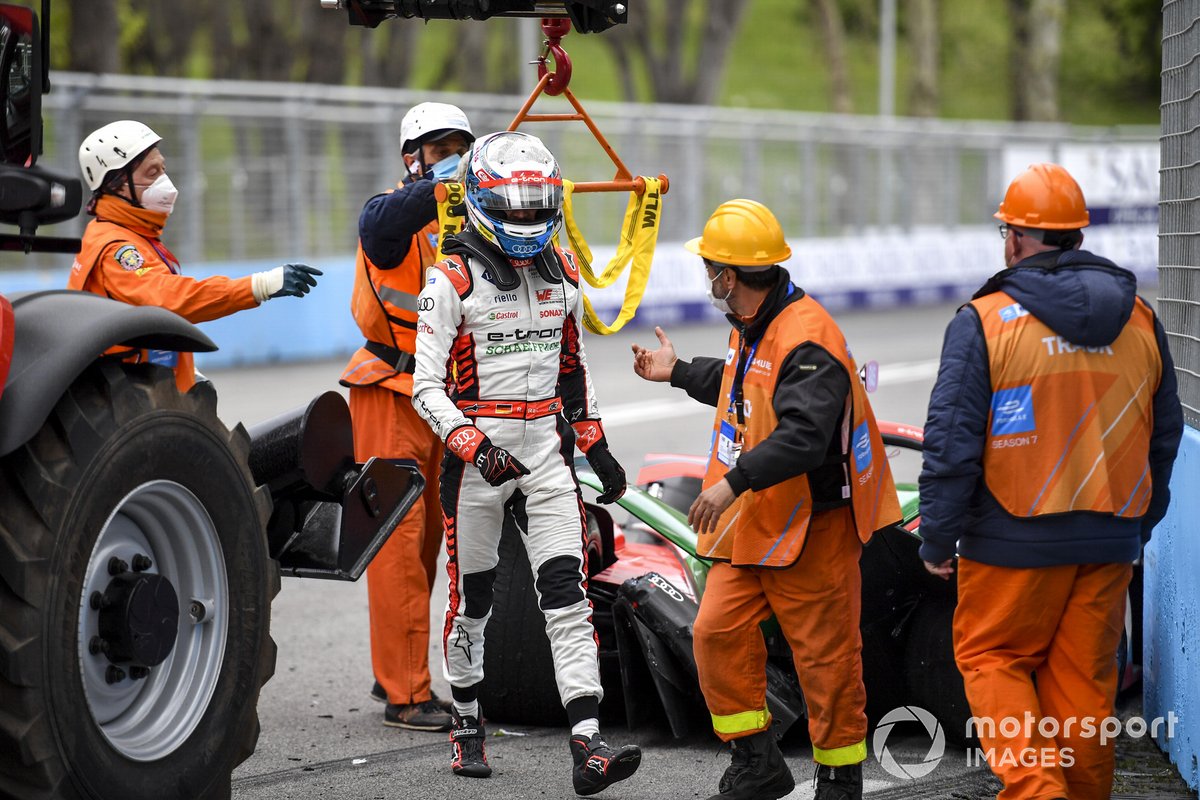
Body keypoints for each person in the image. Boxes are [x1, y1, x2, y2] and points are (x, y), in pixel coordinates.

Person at [919, 163, 1184, 800]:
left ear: (1013, 240)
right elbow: (1164, 433)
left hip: (1010, 539)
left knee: (992, 662)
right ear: (1078, 237)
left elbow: (953, 441)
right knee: (1082, 696)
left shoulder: (984, 320)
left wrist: (936, 537)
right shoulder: (1141, 317)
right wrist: (1136, 524)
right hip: (1109, 539)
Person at [631, 199, 901, 800]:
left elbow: (804, 436)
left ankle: (839, 778)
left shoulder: (807, 339)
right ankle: (758, 761)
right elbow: (739, 385)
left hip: (815, 527)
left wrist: (731, 483)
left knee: (827, 663)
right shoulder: (756, 326)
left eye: (711, 269)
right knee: (716, 633)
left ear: (730, 276)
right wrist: (676, 372)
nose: (707, 279)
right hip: (760, 524)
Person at [412, 130, 641, 794]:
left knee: (568, 595)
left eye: (537, 203)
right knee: (472, 601)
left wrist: (595, 442)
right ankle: (466, 721)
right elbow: (423, 387)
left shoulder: (564, 270)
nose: (525, 218)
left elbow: (575, 371)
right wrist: (474, 448)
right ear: (483, 201)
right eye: (511, 206)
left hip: (546, 451)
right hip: (476, 455)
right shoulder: (449, 276)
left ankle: (587, 743)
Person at [340, 101, 475, 733]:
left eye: (460, 147)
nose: (452, 157)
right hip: (390, 391)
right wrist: (442, 186)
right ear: (411, 158)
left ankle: (394, 665)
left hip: (440, 399)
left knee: (426, 546)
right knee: (396, 546)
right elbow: (384, 223)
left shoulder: (471, 219)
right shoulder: (389, 214)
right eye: (438, 148)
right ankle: (407, 693)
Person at [70, 120, 321, 392]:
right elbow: (169, 299)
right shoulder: (116, 248)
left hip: (140, 386)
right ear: (117, 183)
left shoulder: (122, 233)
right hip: (132, 395)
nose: (165, 182)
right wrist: (258, 286)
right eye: (152, 172)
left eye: (163, 169)